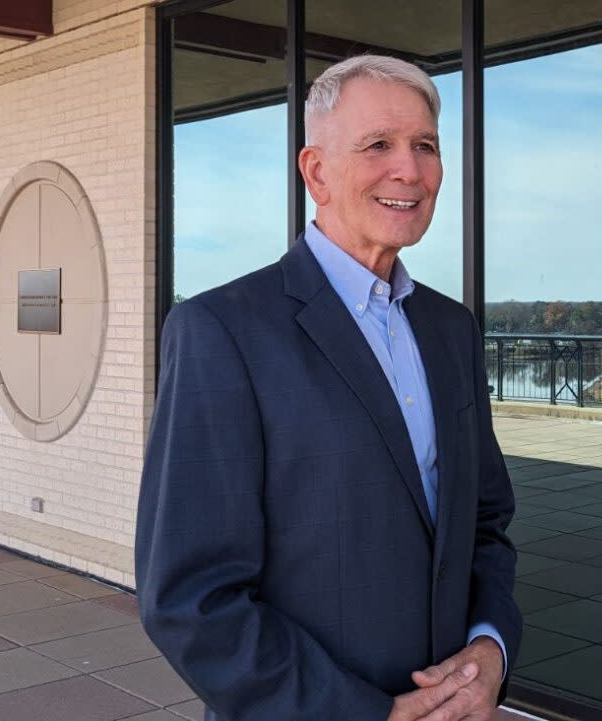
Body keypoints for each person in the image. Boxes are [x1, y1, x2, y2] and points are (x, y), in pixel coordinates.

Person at [136, 54, 521, 721]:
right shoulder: (221, 332)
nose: (410, 169)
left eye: (424, 146)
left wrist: (490, 651)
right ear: (316, 172)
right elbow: (191, 596)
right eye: (379, 145)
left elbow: (485, 525)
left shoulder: (451, 328)